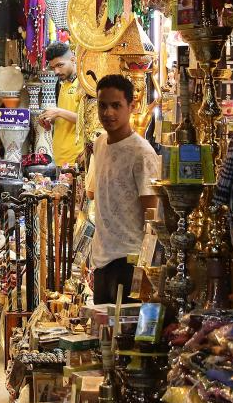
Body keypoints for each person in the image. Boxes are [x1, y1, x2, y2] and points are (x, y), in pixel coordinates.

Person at [85, 74, 160, 305]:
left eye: (116, 106)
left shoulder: (141, 153)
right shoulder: (99, 144)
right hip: (101, 259)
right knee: (102, 337)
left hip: (129, 260)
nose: (108, 113)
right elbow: (95, 193)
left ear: (132, 106)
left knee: (123, 335)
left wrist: (145, 267)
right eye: (103, 106)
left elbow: (152, 214)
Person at [38, 42, 85, 168]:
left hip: (77, 158)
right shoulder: (63, 84)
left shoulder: (84, 85)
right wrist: (51, 120)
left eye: (60, 65)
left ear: (73, 59)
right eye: (53, 67)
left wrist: (58, 112)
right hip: (60, 157)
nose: (57, 71)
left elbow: (88, 121)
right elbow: (66, 118)